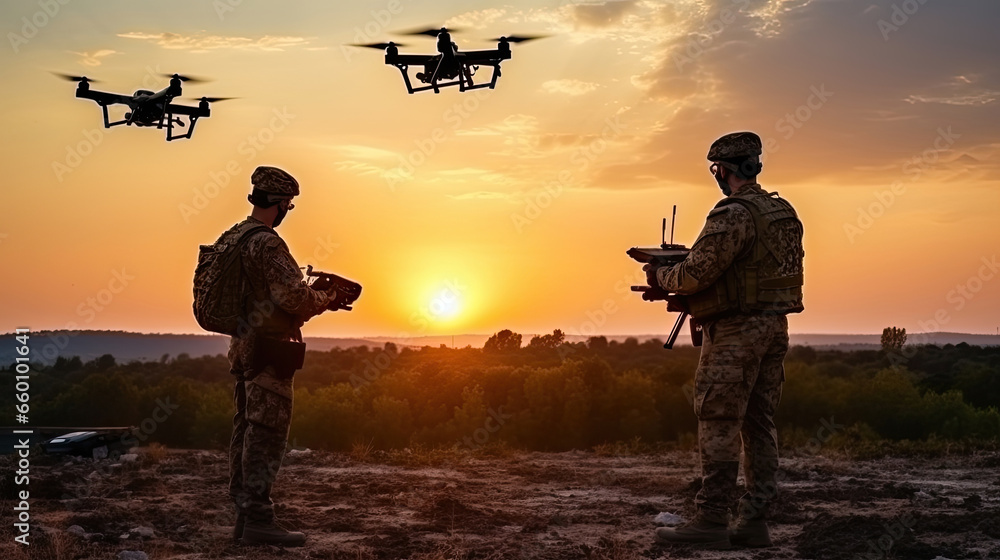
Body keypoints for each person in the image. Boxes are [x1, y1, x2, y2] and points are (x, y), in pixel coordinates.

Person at [648, 132, 804, 548]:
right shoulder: (782, 211)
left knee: (718, 419)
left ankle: (712, 520)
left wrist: (661, 276)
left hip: (737, 333)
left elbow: (696, 273)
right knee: (759, 422)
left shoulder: (732, 214)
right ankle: (753, 522)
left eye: (716, 170)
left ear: (723, 169)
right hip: (775, 327)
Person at [220, 166, 338, 546]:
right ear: (278, 202)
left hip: (243, 347)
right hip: (269, 350)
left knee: (246, 428)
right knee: (267, 433)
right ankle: (258, 519)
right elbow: (294, 298)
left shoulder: (235, 237)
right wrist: (326, 298)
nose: (289, 208)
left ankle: (243, 516)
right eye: (289, 202)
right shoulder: (268, 243)